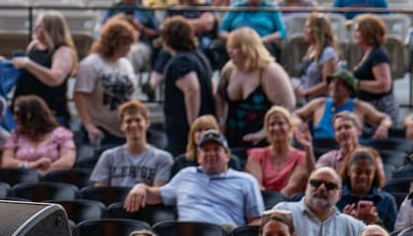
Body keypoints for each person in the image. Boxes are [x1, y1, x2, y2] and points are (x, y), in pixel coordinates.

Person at [124, 129, 262, 227]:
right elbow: (156, 195)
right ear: (198, 156)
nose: (210, 154)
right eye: (206, 150)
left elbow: (256, 221)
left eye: (216, 149)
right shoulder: (185, 175)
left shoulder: (246, 181)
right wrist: (140, 187)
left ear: (227, 154)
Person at [218, 27, 295, 148]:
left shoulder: (270, 71)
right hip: (233, 138)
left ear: (247, 49)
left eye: (235, 48)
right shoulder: (229, 69)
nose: (230, 52)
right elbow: (219, 96)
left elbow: (287, 106)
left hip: (262, 142)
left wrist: (264, 132)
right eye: (230, 47)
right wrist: (220, 121)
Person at [273, 168, 365, 236]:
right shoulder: (283, 212)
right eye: (315, 183)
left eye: (330, 186)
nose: (321, 188)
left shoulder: (354, 226)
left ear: (339, 195)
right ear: (306, 187)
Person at [74, 18, 138, 146]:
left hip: (124, 128)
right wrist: (89, 125)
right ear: (113, 43)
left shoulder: (126, 64)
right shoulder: (91, 64)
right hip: (101, 129)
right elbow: (79, 95)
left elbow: (132, 95)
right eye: (125, 44)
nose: (129, 49)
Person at [9, 11, 77, 127]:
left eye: (40, 26)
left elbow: (55, 79)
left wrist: (29, 64)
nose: (35, 28)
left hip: (50, 113)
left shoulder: (63, 51)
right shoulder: (33, 45)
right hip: (25, 111)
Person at [159, 17, 216, 155]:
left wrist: (193, 125)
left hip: (183, 130)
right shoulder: (199, 57)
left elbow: (192, 89)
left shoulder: (180, 62)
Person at [90, 101, 173, 187]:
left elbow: (159, 194)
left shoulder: (163, 158)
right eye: (128, 121)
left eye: (138, 120)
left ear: (147, 123)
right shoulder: (109, 156)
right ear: (122, 126)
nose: (133, 125)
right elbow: (100, 192)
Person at [294, 69, 391, 143]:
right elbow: (296, 115)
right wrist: (298, 124)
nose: (335, 86)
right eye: (333, 82)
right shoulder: (319, 104)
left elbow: (385, 118)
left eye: (340, 84)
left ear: (349, 89)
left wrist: (383, 127)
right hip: (319, 150)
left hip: (348, 152)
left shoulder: (359, 107)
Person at [0, 94, 76, 173]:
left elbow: (67, 162)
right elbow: (6, 163)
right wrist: (32, 165)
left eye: (18, 114)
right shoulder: (15, 136)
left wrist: (44, 173)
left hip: (53, 180)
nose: (14, 118)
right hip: (22, 181)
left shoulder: (61, 134)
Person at [244, 107, 310, 196]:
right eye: (271, 124)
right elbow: (257, 185)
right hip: (262, 201)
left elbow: (293, 186)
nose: (276, 128)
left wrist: (276, 205)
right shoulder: (255, 155)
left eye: (280, 123)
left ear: (290, 128)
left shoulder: (302, 157)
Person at [219, 0, 286, 56]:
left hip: (263, 44)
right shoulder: (236, 7)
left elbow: (282, 32)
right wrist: (235, 39)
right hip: (238, 44)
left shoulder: (271, 8)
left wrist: (264, 39)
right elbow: (222, 31)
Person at [350, 13, 399, 122]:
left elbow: (384, 85)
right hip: (369, 107)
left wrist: (356, 83)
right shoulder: (368, 53)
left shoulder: (378, 55)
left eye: (358, 30)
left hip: (380, 110)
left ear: (368, 32)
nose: (354, 33)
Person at [337, 146, 398, 233]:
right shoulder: (337, 198)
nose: (363, 176)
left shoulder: (387, 200)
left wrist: (376, 223)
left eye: (368, 172)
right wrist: (342, 221)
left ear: (374, 175)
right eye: (358, 172)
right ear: (349, 172)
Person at [296, 13, 339, 102]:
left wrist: (306, 92)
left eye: (307, 27)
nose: (304, 30)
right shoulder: (311, 49)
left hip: (320, 102)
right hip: (307, 100)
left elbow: (328, 83)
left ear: (317, 30)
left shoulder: (328, 53)